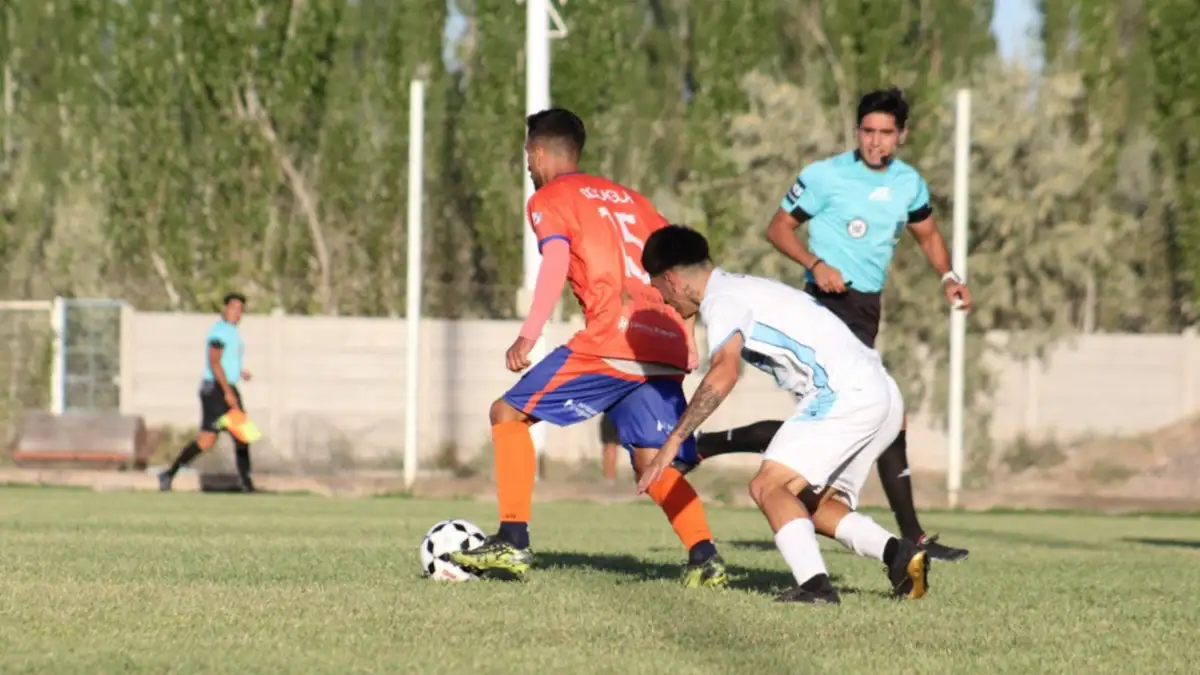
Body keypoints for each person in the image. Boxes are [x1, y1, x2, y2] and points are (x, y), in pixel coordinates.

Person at [445, 108, 728, 588]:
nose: (528, 167)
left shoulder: (551, 197)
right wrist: (687, 335)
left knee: (506, 414)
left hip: (613, 339)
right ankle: (706, 556)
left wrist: (529, 333)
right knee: (651, 460)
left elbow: (555, 259)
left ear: (538, 153)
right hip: (663, 344)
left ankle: (512, 540)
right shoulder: (634, 201)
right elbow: (689, 267)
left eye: (528, 157)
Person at [691, 87, 972, 562]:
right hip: (828, 306)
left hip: (867, 309)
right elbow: (778, 228)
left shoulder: (909, 184)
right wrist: (815, 263)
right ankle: (914, 538)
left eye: (885, 133)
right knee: (884, 414)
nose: (875, 141)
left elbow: (928, 234)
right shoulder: (825, 176)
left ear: (902, 135)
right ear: (857, 130)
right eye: (868, 131)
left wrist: (948, 276)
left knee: (825, 421)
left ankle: (709, 444)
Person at [637, 225, 929, 604]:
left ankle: (816, 587)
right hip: (877, 390)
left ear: (672, 279)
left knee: (767, 486)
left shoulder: (721, 301)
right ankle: (899, 554)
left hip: (844, 393)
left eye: (658, 289)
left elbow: (724, 373)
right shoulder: (741, 287)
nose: (663, 301)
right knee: (806, 502)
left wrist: (673, 442)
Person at [158, 293, 256, 493]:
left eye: (240, 310)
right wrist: (228, 392)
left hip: (224, 386)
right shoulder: (219, 331)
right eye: (233, 308)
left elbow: (226, 362)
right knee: (215, 439)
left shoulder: (232, 332)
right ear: (224, 309)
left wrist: (239, 372)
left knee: (235, 436)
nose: (237, 313)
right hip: (216, 389)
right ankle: (169, 474)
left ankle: (246, 484)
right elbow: (214, 362)